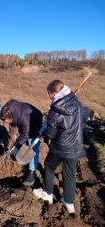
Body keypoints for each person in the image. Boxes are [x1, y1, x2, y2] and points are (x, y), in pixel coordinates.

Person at [33, 79, 86, 214]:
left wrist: (43, 132)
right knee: (69, 174)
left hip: (60, 147)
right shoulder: (77, 103)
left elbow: (51, 135)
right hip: (75, 145)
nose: (49, 96)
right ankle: (69, 203)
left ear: (55, 93)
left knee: (49, 166)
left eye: (49, 94)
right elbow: (83, 119)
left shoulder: (55, 111)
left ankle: (47, 193)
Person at [0, 99, 43, 186]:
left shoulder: (24, 117)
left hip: (34, 120)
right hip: (25, 120)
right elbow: (12, 127)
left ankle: (32, 172)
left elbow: (25, 134)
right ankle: (26, 158)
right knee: (24, 142)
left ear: (11, 117)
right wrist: (13, 140)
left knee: (32, 144)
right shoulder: (8, 111)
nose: (7, 123)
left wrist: (16, 147)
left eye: (7, 121)